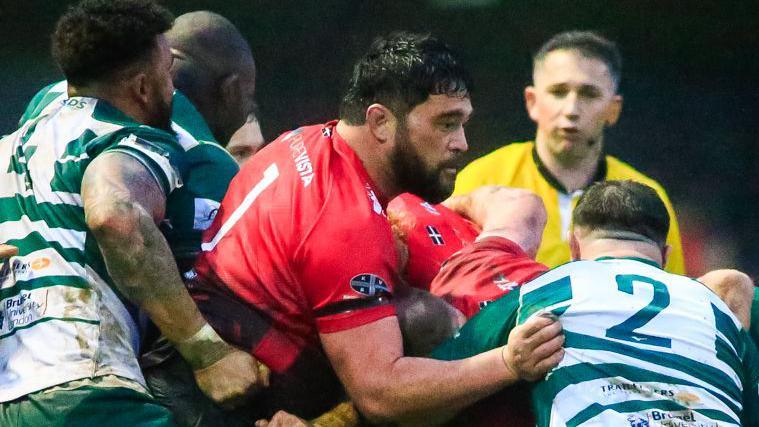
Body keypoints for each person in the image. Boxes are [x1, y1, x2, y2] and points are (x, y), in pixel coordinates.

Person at [191, 32, 565, 424]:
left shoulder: (302, 140)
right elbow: (382, 395)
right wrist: (508, 363)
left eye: (463, 123)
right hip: (231, 405)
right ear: (380, 121)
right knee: (429, 323)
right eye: (446, 124)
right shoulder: (347, 225)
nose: (461, 143)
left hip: (215, 357)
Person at [0, 1, 264, 425]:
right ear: (143, 87)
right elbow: (113, 216)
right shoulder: (127, 140)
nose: (174, 92)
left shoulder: (14, 146)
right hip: (88, 395)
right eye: (166, 75)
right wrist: (208, 353)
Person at [433, 180, 759, 426]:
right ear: (665, 256)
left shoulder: (546, 290)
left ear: (574, 247)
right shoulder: (719, 310)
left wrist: (508, 362)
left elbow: (441, 377)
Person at [453, 30, 685, 274]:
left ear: (613, 110)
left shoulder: (646, 198)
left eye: (589, 94)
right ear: (532, 102)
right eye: (558, 92)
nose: (571, 109)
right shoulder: (482, 181)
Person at [167, 10, 264, 164]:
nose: (256, 167)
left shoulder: (129, 143)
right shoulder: (214, 175)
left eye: (261, 153)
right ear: (230, 92)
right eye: (240, 153)